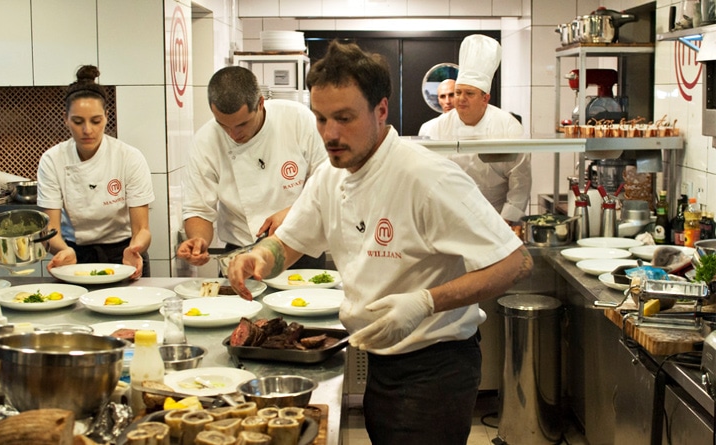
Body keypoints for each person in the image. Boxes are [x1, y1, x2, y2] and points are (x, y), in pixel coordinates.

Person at [226, 40, 533, 444]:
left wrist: (424, 302)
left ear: (381, 110)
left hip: (436, 367)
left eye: (344, 118)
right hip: (380, 361)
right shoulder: (330, 176)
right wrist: (261, 256)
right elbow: (291, 241)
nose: (330, 135)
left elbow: (515, 263)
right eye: (320, 119)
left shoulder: (426, 177)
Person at [176, 66, 327, 271]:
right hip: (240, 253)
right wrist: (198, 240)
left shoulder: (297, 120)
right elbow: (198, 209)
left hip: (300, 249)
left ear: (261, 103)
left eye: (242, 124)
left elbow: (326, 183)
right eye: (223, 125)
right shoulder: (204, 142)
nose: (233, 134)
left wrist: (293, 212)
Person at [37, 65, 154, 279]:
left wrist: (135, 248)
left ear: (107, 117)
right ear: (66, 118)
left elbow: (142, 229)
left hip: (123, 256)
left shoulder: (128, 157)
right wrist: (62, 250)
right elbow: (50, 230)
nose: (87, 130)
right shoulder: (53, 160)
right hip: (74, 256)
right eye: (78, 121)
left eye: (96, 121)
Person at [427, 34, 531, 225]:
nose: (460, 98)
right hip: (449, 216)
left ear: (485, 98)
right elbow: (428, 176)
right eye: (458, 92)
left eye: (469, 93)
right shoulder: (437, 127)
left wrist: (506, 221)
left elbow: (520, 181)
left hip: (496, 217)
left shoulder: (508, 126)